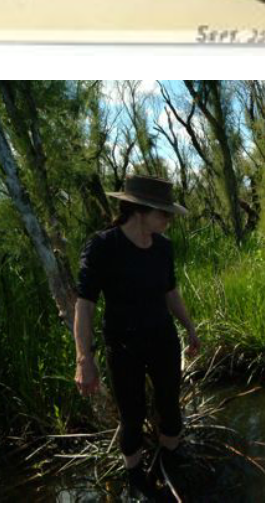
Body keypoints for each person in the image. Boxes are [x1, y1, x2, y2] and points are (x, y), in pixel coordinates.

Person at [73, 176, 200, 501]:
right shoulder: (103, 246)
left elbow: (171, 292)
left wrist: (189, 327)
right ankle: (137, 479)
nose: (169, 220)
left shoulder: (163, 248)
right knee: (132, 417)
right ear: (140, 211)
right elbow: (84, 305)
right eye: (164, 213)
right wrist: (84, 359)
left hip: (163, 340)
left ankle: (168, 465)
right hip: (123, 346)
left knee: (170, 409)